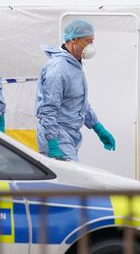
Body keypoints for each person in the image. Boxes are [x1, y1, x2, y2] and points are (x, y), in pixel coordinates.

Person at [35, 19, 115, 161]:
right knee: (71, 180)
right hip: (57, 136)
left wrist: (98, 128)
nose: (91, 46)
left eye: (92, 41)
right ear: (73, 41)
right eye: (88, 41)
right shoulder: (58, 69)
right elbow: (48, 109)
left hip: (69, 135)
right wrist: (53, 143)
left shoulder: (74, 65)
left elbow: (79, 102)